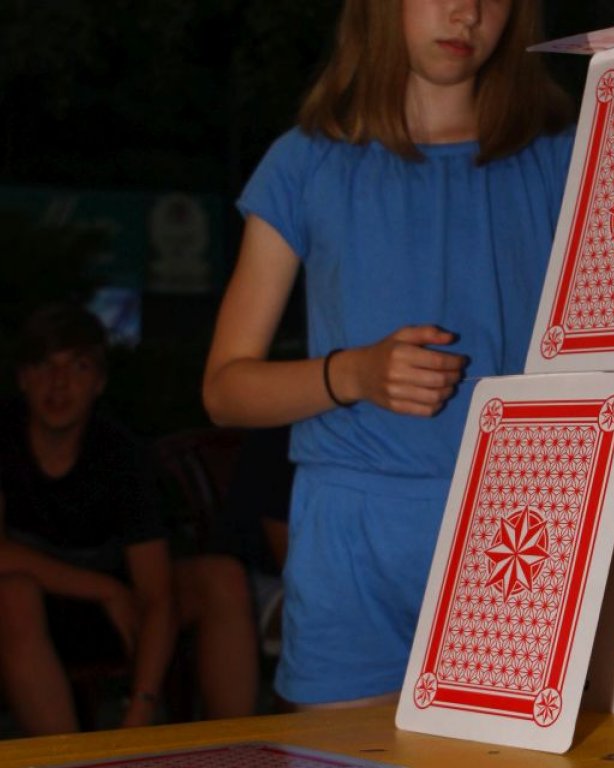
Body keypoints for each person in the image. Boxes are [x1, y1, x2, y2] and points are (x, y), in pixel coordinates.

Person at [202, 0, 574, 709]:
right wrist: (353, 374)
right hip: (350, 546)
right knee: (343, 755)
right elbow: (224, 389)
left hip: (519, 533)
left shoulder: (569, 159)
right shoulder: (305, 161)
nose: (466, 13)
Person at [0, 303, 258, 736]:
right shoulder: (5, 435)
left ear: (99, 382)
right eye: (44, 366)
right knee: (13, 595)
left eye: (78, 367)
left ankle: (233, 747)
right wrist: (103, 589)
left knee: (221, 577)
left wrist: (140, 710)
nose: (59, 383)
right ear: (23, 377)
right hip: (34, 612)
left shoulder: (121, 454)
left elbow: (156, 595)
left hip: (120, 615)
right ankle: (69, 760)